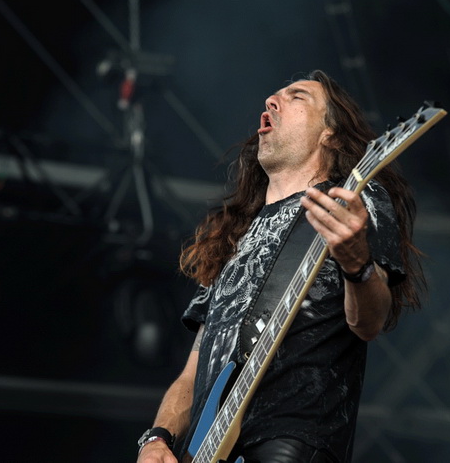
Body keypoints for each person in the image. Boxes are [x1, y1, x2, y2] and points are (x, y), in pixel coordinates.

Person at [136, 70, 425, 463]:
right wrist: (157, 438)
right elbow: (193, 373)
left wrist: (356, 264)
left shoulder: (349, 203)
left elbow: (369, 323)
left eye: (297, 96)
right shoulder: (235, 237)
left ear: (331, 134)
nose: (272, 101)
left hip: (291, 442)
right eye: (273, 96)